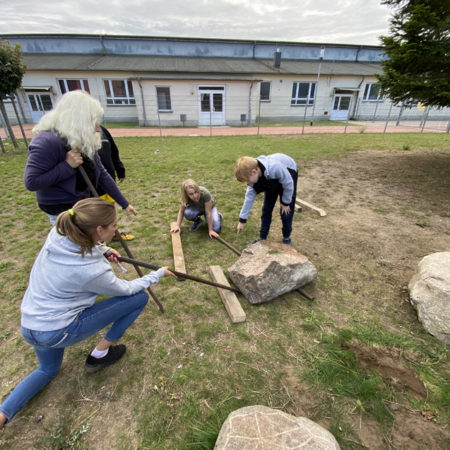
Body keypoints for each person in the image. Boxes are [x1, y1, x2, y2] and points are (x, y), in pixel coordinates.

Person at [0, 198, 173, 427]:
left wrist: (102, 248)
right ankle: (99, 355)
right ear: (99, 229)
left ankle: (2, 416)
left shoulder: (59, 233)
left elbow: (83, 245)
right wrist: (158, 274)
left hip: (31, 324)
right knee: (139, 297)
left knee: (47, 369)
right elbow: (128, 288)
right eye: (114, 225)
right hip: (57, 331)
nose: (117, 229)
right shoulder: (92, 270)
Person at [24, 90, 137, 226]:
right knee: (77, 245)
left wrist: (124, 203)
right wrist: (67, 166)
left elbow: (102, 174)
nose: (98, 129)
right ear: (78, 121)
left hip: (81, 202)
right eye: (93, 123)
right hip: (61, 209)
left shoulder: (82, 139)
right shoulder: (46, 141)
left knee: (92, 242)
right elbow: (32, 182)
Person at [235, 153, 298, 245]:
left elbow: (288, 183)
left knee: (286, 212)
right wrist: (242, 220)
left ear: (254, 172)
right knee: (266, 209)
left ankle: (286, 237)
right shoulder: (254, 176)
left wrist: (285, 202)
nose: (248, 183)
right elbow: (248, 199)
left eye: (247, 180)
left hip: (288, 172)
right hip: (269, 179)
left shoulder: (275, 168)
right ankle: (262, 238)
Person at [97, 125, 135, 241]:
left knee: (110, 209)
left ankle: (113, 233)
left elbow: (113, 150)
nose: (98, 128)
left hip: (108, 178)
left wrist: (120, 169)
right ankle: (100, 240)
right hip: (94, 184)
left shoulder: (102, 130)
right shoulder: (76, 135)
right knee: (98, 211)